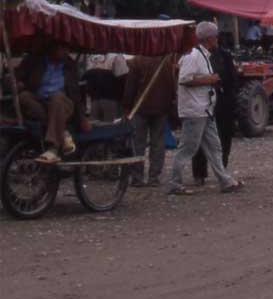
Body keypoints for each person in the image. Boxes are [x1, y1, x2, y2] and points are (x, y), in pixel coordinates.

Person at [167, 21, 243, 195]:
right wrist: (209, 80)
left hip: (205, 110)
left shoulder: (203, 55)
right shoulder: (193, 56)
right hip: (195, 110)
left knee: (215, 147)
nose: (217, 39)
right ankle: (174, 183)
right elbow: (184, 79)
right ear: (210, 38)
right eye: (215, 36)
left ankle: (226, 181)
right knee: (188, 148)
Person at [15, 41, 82, 163]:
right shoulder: (35, 61)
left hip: (63, 103)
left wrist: (82, 119)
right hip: (41, 102)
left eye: (68, 49)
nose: (66, 52)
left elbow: (76, 93)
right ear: (52, 48)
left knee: (56, 97)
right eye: (62, 48)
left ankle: (53, 148)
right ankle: (62, 132)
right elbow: (15, 77)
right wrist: (17, 83)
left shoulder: (70, 66)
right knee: (24, 96)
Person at [122, 54, 176, 187]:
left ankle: (137, 177)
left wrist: (126, 106)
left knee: (138, 144)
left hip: (140, 108)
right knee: (158, 143)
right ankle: (154, 177)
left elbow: (130, 86)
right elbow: (172, 86)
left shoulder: (137, 61)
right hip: (161, 108)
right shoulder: (166, 62)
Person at [192, 34, 239, 184]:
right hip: (203, 102)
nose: (215, 40)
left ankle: (222, 171)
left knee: (223, 138)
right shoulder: (195, 55)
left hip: (222, 102)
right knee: (199, 139)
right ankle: (200, 174)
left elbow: (232, 79)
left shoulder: (224, 55)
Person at [83, 53, 129, 123]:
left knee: (95, 128)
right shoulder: (116, 56)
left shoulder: (90, 57)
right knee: (111, 128)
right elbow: (124, 80)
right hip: (111, 100)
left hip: (93, 101)